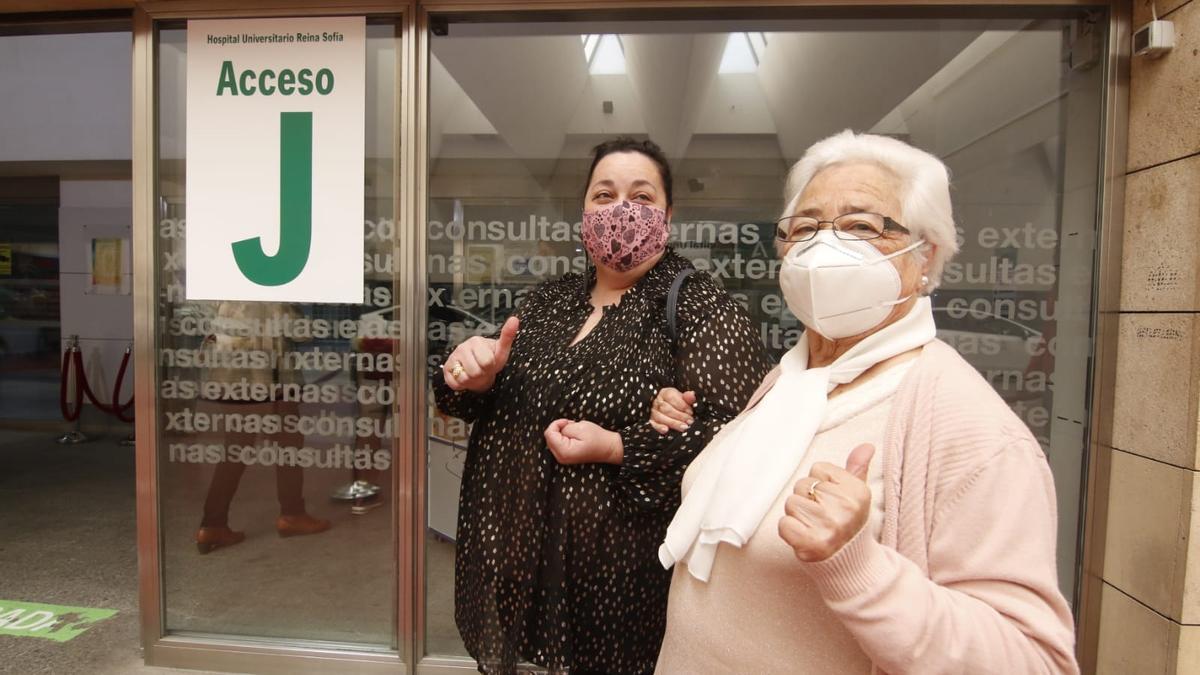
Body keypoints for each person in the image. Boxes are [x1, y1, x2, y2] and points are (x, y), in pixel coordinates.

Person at [650, 130, 1078, 674]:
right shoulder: (794, 378)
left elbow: (1034, 662)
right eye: (804, 228)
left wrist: (858, 566)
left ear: (927, 256)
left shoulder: (972, 430)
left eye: (861, 227)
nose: (823, 247)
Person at [435, 137, 771, 674]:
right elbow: (497, 398)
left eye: (640, 197)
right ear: (583, 211)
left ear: (668, 215)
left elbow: (742, 436)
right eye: (604, 195)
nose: (621, 210)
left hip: (620, 576)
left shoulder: (697, 304)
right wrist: (475, 379)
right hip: (519, 557)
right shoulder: (551, 299)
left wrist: (618, 446)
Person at [194, 301, 331, 553]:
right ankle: (291, 514)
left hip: (231, 372)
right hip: (268, 376)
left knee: (237, 445)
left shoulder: (229, 280)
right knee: (289, 442)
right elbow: (299, 331)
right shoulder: (270, 285)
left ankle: (213, 523)